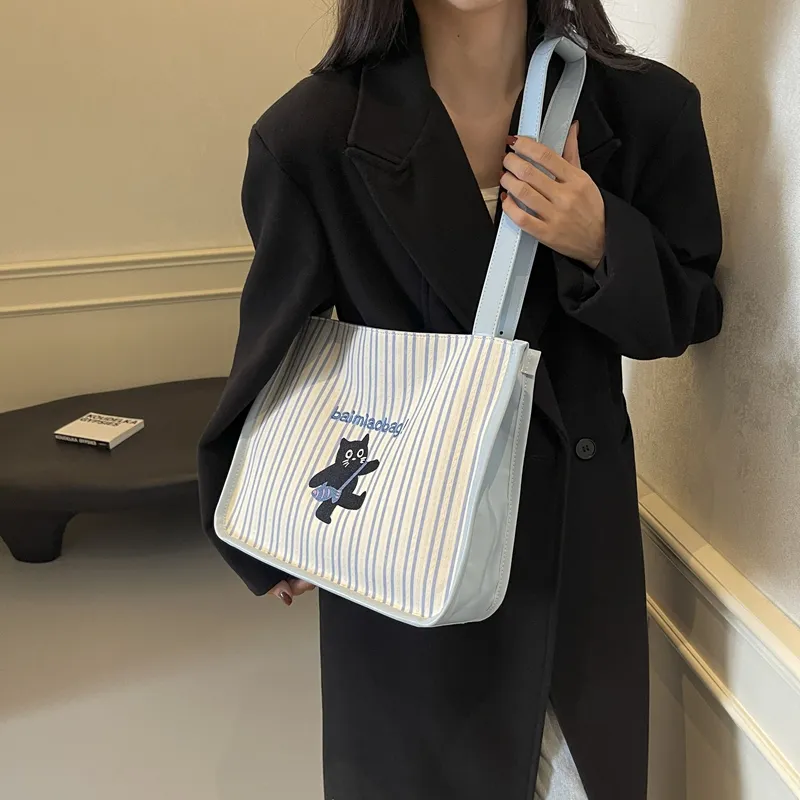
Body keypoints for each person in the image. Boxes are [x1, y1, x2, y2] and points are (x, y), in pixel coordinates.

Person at [197, 0, 723, 797]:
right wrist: (266, 529)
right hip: (408, 567)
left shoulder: (646, 107)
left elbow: (689, 315)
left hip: (578, 559)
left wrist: (599, 239)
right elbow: (273, 348)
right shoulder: (310, 135)